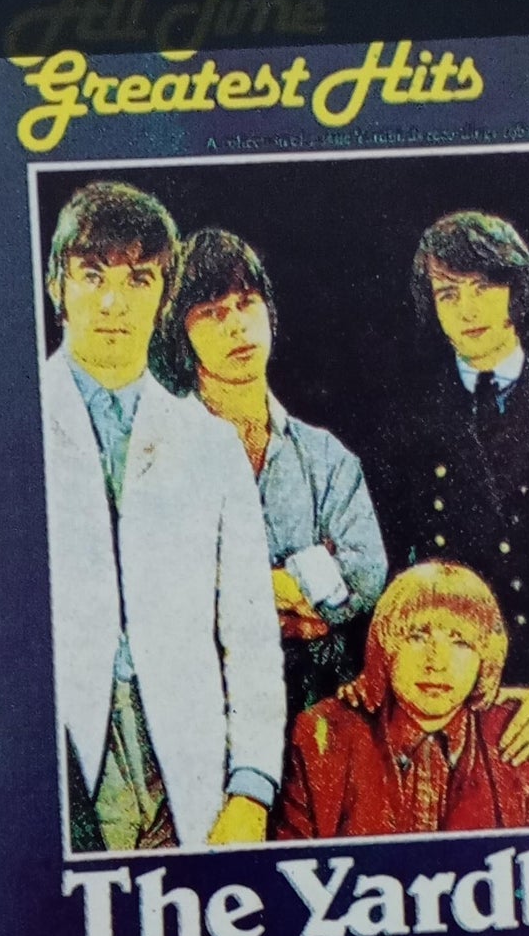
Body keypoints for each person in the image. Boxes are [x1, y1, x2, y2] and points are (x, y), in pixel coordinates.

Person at [39, 180, 284, 854]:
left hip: (186, 765)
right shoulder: (7, 428)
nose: (113, 302)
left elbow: (251, 633)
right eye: (93, 275)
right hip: (62, 757)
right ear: (57, 285)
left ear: (164, 294)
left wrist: (251, 788)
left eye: (139, 278)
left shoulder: (210, 445)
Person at [371, 209, 529, 722]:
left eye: (482, 287)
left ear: (515, 290)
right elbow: (388, 561)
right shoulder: (407, 416)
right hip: (440, 677)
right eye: (448, 294)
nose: (467, 309)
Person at [153, 227, 387, 720]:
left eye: (246, 303)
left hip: (316, 704)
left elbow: (366, 573)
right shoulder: (158, 452)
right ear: (180, 333)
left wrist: (230, 590)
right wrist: (302, 579)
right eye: (211, 312)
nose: (237, 325)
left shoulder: (326, 457)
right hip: (196, 707)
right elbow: (162, 591)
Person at [273, 563, 529, 839]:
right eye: (417, 637)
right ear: (386, 647)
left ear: (485, 658)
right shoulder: (322, 737)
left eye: (460, 642)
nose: (437, 662)